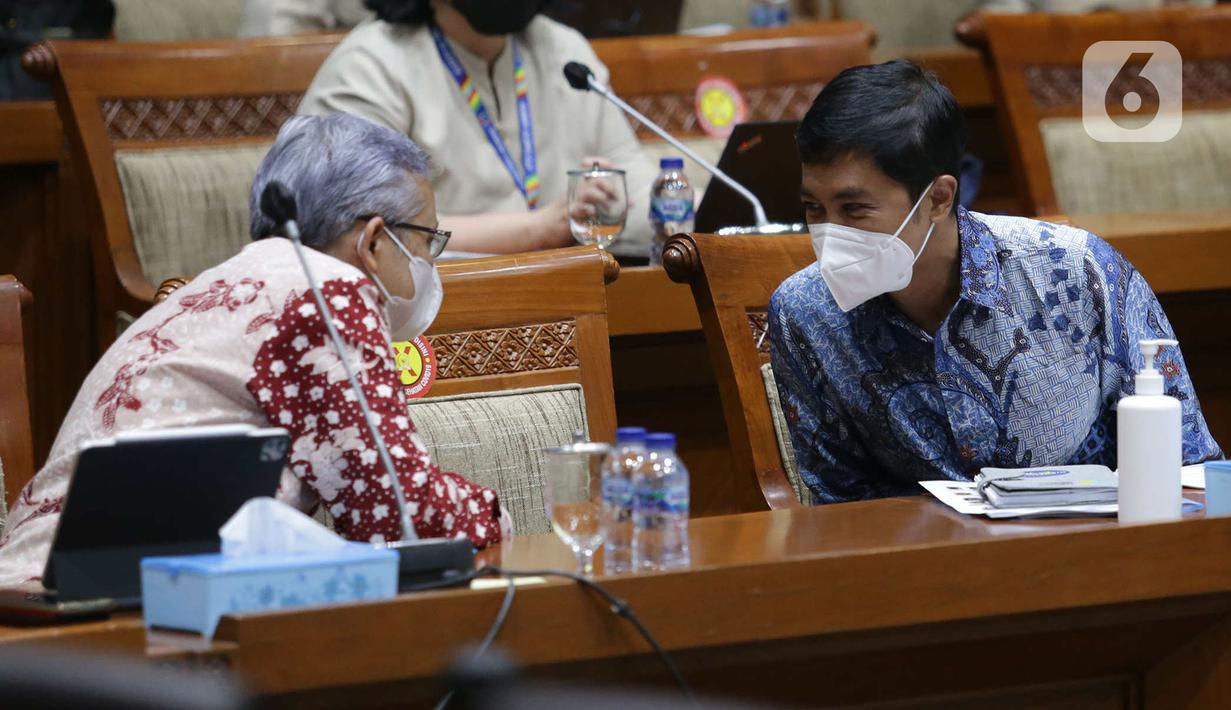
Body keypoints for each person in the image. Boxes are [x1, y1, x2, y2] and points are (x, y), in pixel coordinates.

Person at [0, 113, 510, 586]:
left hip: (53, 592)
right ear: (374, 241)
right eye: (426, 239)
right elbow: (399, 514)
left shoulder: (235, 281)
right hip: (99, 608)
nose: (428, 260)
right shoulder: (327, 292)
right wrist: (498, 520)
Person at [768, 60, 1222, 504]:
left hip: (1095, 549)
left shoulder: (1077, 271)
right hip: (925, 564)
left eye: (853, 210)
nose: (831, 232)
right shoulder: (806, 312)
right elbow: (839, 505)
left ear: (938, 198)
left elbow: (1188, 463)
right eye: (813, 208)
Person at [298, 0, 656, 257]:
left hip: (572, 297)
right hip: (434, 315)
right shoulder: (370, 66)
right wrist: (541, 228)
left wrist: (689, 207)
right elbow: (360, 233)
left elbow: (634, 178)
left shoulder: (565, 51)